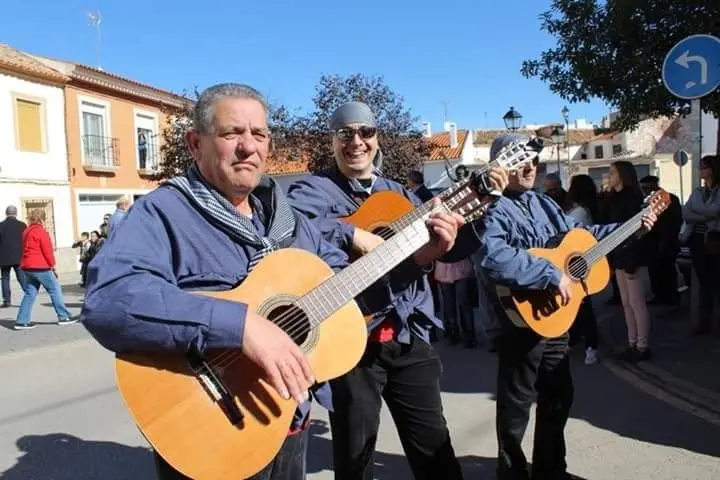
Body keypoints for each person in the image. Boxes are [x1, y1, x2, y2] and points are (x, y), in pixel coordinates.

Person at [80, 84, 464, 480]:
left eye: (259, 134)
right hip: (213, 434)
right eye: (232, 133)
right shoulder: (163, 212)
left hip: (287, 423)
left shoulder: (287, 221)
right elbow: (108, 300)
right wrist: (241, 326)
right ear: (196, 143)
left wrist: (419, 258)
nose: (248, 147)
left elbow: (347, 294)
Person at [287, 100, 508, 480]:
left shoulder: (399, 195)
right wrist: (352, 234)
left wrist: (481, 208)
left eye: (366, 132)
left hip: (407, 335)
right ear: (333, 140)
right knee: (355, 460)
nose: (356, 141)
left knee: (436, 455)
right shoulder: (312, 190)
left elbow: (447, 250)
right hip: (351, 343)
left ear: (377, 138)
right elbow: (291, 227)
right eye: (345, 134)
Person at [467, 134, 656, 480]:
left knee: (558, 395)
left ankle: (551, 469)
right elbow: (493, 257)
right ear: (500, 167)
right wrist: (552, 275)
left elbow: (583, 236)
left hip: (557, 317)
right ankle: (511, 473)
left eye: (533, 161)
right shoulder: (490, 208)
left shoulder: (545, 204)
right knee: (516, 407)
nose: (530, 167)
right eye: (520, 162)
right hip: (518, 322)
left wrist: (630, 229)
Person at [604, 161, 654, 361]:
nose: (609, 176)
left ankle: (642, 345)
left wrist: (632, 260)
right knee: (626, 303)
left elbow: (639, 232)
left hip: (632, 257)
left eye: (612, 173)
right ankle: (632, 342)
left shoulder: (633, 198)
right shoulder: (613, 198)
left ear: (622, 175)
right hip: (619, 256)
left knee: (636, 302)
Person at [15, 209, 75, 330]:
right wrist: (53, 266)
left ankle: (22, 320)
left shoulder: (26, 231)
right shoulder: (41, 232)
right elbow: (47, 251)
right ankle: (63, 316)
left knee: (30, 292)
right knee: (54, 289)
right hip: (40, 266)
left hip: (27, 266)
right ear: (42, 219)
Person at [564, 174, 600, 364]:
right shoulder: (585, 209)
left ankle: (591, 345)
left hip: (578, 264)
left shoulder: (579, 213)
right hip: (581, 263)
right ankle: (578, 338)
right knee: (578, 306)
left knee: (583, 307)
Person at [682, 155, 720, 334]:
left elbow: (715, 211)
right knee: (704, 283)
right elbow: (685, 213)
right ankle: (704, 323)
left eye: (704, 167)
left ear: (713, 169)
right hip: (697, 240)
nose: (701, 170)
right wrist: (705, 216)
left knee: (716, 282)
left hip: (715, 239)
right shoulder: (697, 192)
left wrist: (698, 212)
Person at [639, 175, 682, 305]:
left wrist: (668, 238)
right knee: (654, 270)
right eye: (643, 188)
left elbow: (675, 221)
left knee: (668, 269)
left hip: (667, 239)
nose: (645, 191)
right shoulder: (644, 200)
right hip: (651, 241)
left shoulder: (670, 199)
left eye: (647, 188)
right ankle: (659, 295)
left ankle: (672, 296)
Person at [0, 205, 26, 307]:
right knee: (22, 277)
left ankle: (7, 301)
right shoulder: (22, 225)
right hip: (19, 256)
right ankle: (29, 294)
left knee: (5, 278)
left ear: (6, 213)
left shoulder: (1, 225)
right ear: (16, 213)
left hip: (4, 257)